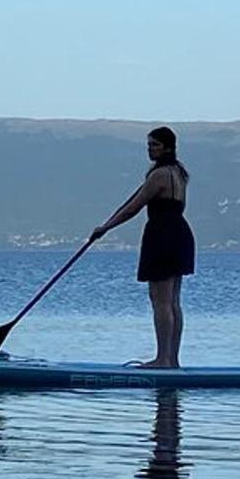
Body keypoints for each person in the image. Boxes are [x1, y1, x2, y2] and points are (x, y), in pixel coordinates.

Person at [89, 126, 195, 368]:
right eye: (148, 145)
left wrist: (105, 228)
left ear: (168, 147)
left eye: (155, 145)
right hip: (179, 233)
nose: (150, 149)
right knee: (173, 301)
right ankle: (172, 360)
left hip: (163, 235)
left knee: (161, 301)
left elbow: (132, 208)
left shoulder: (159, 176)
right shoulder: (179, 174)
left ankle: (163, 359)